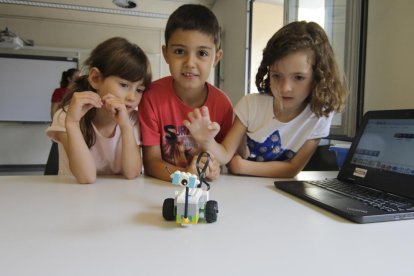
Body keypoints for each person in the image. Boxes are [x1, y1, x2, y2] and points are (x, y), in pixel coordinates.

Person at [184, 21, 348, 178]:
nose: (284, 88)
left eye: (298, 77)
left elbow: (292, 169)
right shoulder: (251, 105)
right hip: (242, 189)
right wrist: (207, 141)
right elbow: (226, 155)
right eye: (276, 76)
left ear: (318, 77)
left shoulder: (320, 115)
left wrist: (242, 166)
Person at [138, 4, 233, 182]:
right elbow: (151, 162)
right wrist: (186, 177)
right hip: (162, 188)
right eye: (180, 51)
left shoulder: (223, 105)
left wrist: (212, 167)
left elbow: (223, 159)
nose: (190, 63)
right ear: (166, 54)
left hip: (207, 191)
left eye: (202, 53)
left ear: (217, 58)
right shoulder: (152, 97)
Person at [46, 37, 152, 184]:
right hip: (74, 197)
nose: (132, 97)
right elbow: (86, 177)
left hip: (117, 198)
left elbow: (132, 173)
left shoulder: (132, 119)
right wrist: (72, 123)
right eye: (123, 85)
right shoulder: (66, 116)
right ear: (95, 78)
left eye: (139, 90)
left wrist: (125, 127)